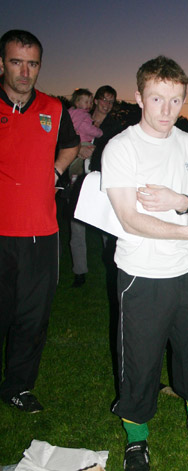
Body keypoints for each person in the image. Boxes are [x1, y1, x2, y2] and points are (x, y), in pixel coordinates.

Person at [101, 55, 188, 471]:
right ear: (140, 96)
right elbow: (130, 219)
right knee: (139, 362)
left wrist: (180, 203)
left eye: (176, 100)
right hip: (142, 274)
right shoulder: (121, 147)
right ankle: (137, 437)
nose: (167, 110)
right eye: (158, 98)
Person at [0, 29, 79, 412]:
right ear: (2, 63)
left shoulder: (53, 107)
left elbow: (71, 143)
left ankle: (18, 386)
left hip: (41, 232)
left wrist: (57, 171)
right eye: (16, 61)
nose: (25, 71)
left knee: (32, 317)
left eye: (32, 64)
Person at [69, 85, 122, 287]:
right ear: (96, 100)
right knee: (77, 227)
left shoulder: (113, 126)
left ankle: (113, 267)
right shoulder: (79, 115)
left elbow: (112, 149)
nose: (107, 105)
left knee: (107, 228)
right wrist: (77, 150)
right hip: (77, 179)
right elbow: (64, 140)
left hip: (100, 179)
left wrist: (93, 152)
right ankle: (79, 271)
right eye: (104, 100)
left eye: (111, 101)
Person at [67, 88, 103, 177]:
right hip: (83, 142)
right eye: (86, 102)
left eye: (90, 102)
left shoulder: (71, 112)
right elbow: (87, 128)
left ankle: (75, 175)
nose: (89, 105)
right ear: (77, 103)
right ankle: (82, 173)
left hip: (76, 142)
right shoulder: (82, 114)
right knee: (93, 155)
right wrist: (99, 132)